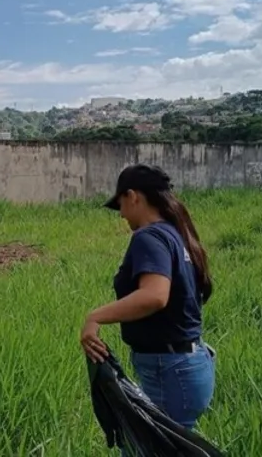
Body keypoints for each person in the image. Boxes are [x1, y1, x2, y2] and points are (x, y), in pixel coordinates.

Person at [80, 164, 217, 433]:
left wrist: (94, 317)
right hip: (187, 366)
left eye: (120, 204)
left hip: (170, 370)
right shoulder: (177, 234)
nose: (120, 215)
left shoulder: (149, 237)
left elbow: (155, 295)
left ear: (133, 196)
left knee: (145, 448)